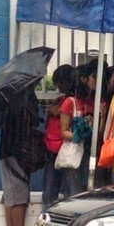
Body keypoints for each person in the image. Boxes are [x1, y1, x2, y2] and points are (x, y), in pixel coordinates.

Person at [0, 88, 39, 226]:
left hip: (5, 149)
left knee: (10, 195)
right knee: (19, 197)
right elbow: (32, 122)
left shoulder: (3, 95)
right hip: (19, 151)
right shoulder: (25, 96)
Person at [42, 65, 75, 208]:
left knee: (59, 189)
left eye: (60, 82)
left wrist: (58, 113)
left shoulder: (72, 100)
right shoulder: (61, 100)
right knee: (53, 190)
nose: (58, 86)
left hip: (66, 149)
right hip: (55, 148)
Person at [58, 70, 92, 196]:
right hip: (76, 151)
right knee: (74, 192)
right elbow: (63, 132)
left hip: (88, 152)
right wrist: (80, 136)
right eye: (91, 78)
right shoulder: (70, 102)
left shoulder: (90, 101)